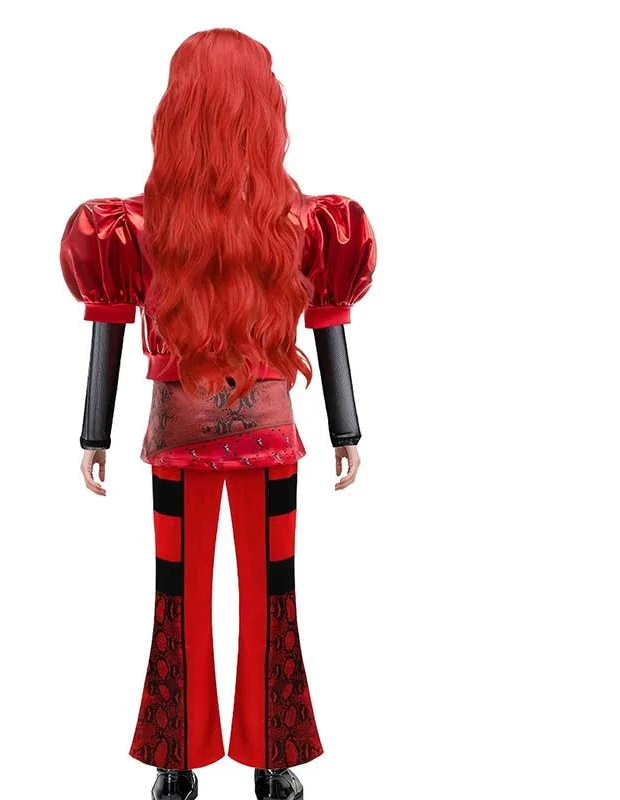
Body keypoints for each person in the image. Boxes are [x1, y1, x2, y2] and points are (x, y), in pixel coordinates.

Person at [59, 27, 376, 800]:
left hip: (179, 440)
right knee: (272, 592)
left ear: (179, 110)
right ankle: (271, 762)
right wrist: (346, 429)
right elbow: (329, 324)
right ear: (266, 111)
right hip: (267, 439)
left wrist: (95, 435)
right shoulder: (305, 224)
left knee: (178, 592)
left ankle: (177, 763)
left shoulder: (135, 227)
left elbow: (108, 326)